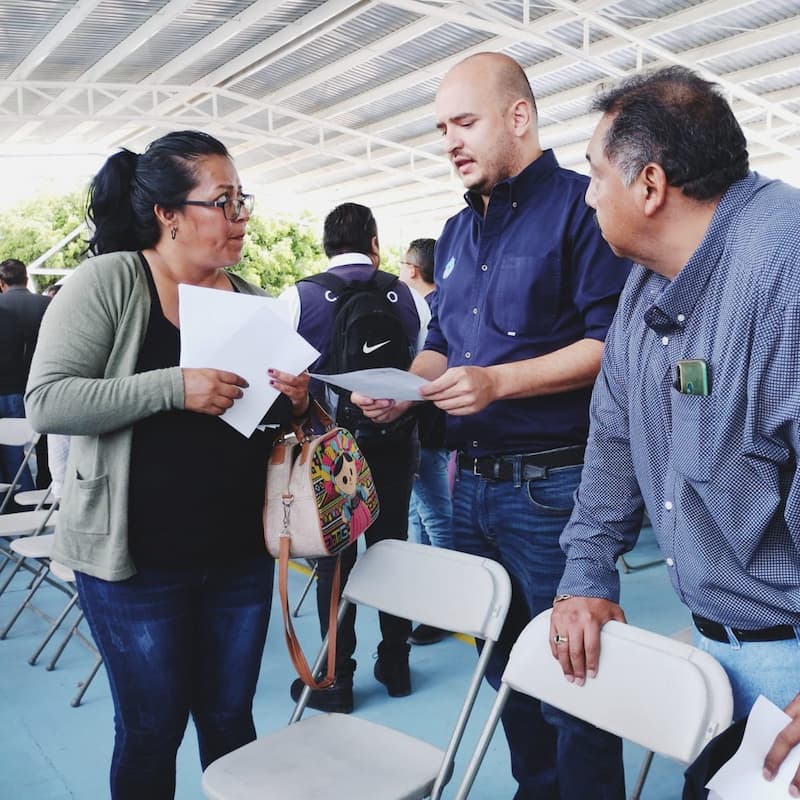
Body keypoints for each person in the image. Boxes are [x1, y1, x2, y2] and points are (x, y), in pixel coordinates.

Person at [354, 52, 632, 799]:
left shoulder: (586, 208)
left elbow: (611, 346)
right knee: (506, 665)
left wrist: (498, 382)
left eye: (465, 122)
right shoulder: (451, 232)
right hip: (466, 489)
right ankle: (536, 787)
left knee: (578, 673)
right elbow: (441, 342)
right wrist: (403, 389)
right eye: (442, 127)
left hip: (554, 487)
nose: (450, 140)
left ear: (519, 117)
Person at [25, 130, 309, 800]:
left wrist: (294, 400)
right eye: (224, 202)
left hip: (239, 555)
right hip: (137, 565)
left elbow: (257, 423)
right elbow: (47, 401)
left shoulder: (245, 294)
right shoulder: (110, 280)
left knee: (229, 719)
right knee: (153, 729)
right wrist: (173, 386)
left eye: (243, 202)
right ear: (169, 214)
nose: (241, 218)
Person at [546, 65, 800, 797]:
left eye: (595, 175)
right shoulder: (650, 280)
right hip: (717, 650)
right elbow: (615, 438)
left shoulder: (783, 274)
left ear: (649, 185)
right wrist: (587, 573)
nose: (588, 195)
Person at [277, 201, 429, 714]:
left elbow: (279, 376)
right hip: (395, 442)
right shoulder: (406, 294)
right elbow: (425, 364)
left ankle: (336, 678)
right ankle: (397, 664)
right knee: (393, 548)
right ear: (374, 244)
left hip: (330, 450)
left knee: (333, 561)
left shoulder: (299, 298)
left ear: (325, 246)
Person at [398, 237, 453, 646]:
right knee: (422, 512)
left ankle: (448, 602)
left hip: (425, 428)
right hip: (436, 426)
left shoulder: (425, 311)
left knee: (434, 513)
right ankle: (433, 594)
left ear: (413, 270)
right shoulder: (444, 307)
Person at [0, 259, 50, 502]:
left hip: (11, 387)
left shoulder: (3, 307)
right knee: (46, 443)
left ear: (1, 283)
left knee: (11, 450)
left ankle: (15, 502)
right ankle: (45, 490)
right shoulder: (46, 304)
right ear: (26, 278)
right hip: (44, 383)